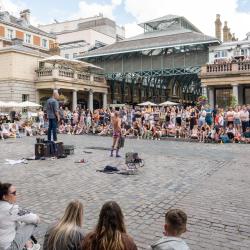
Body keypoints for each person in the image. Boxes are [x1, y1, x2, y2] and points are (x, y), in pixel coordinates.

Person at [0, 182, 40, 250]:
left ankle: (26, 244)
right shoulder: (11, 209)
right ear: (4, 197)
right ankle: (29, 246)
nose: (16, 195)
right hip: (9, 248)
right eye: (14, 193)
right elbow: (36, 218)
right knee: (31, 222)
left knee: (17, 223)